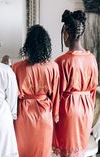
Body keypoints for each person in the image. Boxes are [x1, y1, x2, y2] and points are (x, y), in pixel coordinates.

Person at [53, 10, 98, 157]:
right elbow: (93, 89)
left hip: (68, 109)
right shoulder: (91, 58)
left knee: (67, 151)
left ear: (67, 32)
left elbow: (56, 93)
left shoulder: (61, 61)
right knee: (79, 150)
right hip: (86, 110)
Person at [12, 25, 60, 157]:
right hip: (44, 114)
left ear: (28, 45)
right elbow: (56, 94)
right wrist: (55, 114)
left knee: (23, 152)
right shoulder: (53, 67)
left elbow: (12, 97)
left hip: (23, 116)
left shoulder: (17, 67)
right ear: (46, 44)